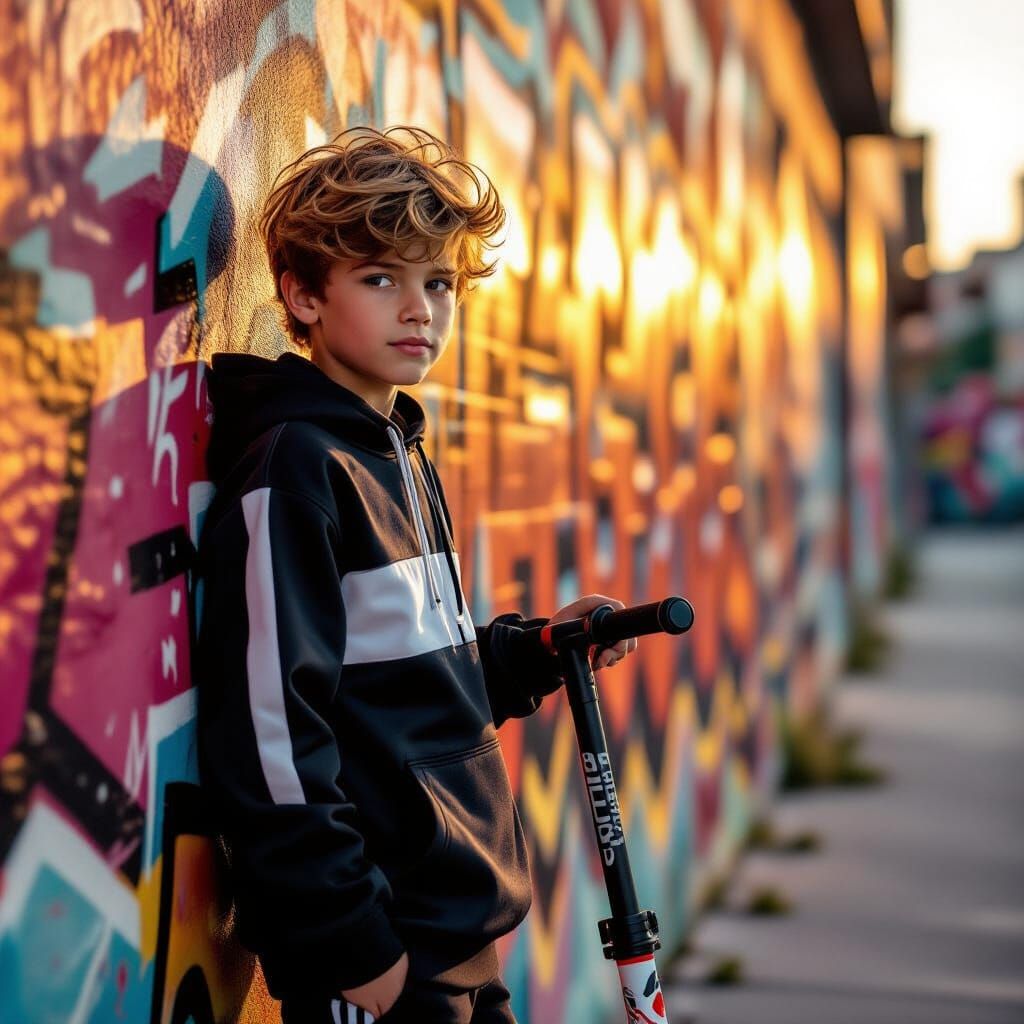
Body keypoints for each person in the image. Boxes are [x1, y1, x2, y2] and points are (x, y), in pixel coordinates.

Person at [194, 125, 636, 1023]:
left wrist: (535, 649)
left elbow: (409, 679)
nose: (418, 309)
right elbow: (270, 739)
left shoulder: (397, 449)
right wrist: (355, 949)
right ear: (302, 296)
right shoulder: (296, 474)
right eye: (380, 278)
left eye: (437, 283)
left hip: (464, 930)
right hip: (385, 953)